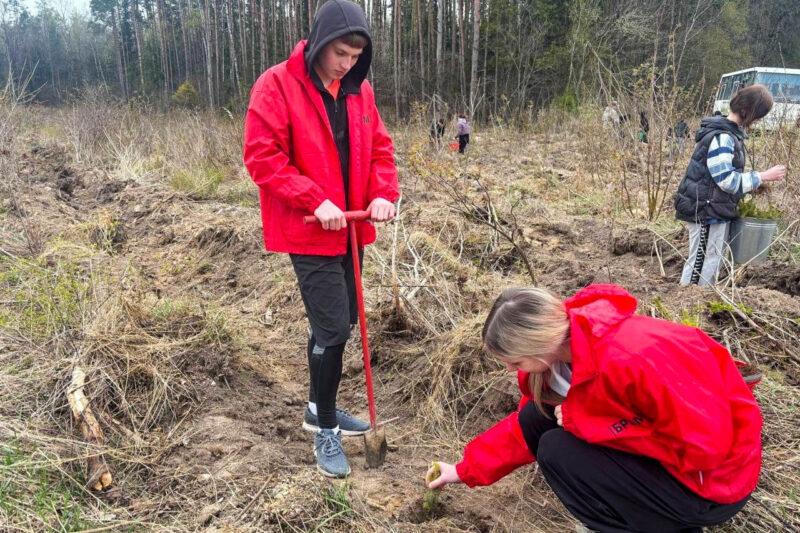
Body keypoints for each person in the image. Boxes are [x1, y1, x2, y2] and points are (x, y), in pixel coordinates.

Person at [426, 284, 762, 533]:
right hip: (675, 465)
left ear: (537, 344)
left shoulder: (632, 357)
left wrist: (589, 423)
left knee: (559, 451)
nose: (514, 370)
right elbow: (523, 428)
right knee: (538, 417)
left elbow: (707, 448)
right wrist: (464, 469)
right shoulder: (557, 364)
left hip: (710, 485)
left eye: (515, 361)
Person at [243, 0, 400, 478]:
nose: (347, 64)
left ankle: (318, 406)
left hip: (353, 229)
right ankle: (325, 428)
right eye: (340, 54)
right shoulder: (276, 84)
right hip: (309, 230)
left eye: (356, 57)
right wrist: (315, 200)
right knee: (333, 329)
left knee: (342, 319)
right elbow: (262, 157)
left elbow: (379, 149)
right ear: (318, 41)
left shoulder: (360, 90)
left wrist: (383, 194)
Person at [674, 84, 786, 286]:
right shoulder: (723, 137)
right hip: (706, 210)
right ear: (749, 112)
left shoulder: (728, 133)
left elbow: (717, 175)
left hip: (713, 208)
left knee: (712, 259)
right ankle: (686, 308)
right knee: (700, 264)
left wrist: (754, 183)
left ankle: (699, 306)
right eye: (759, 115)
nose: (758, 120)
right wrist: (762, 176)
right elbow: (726, 180)